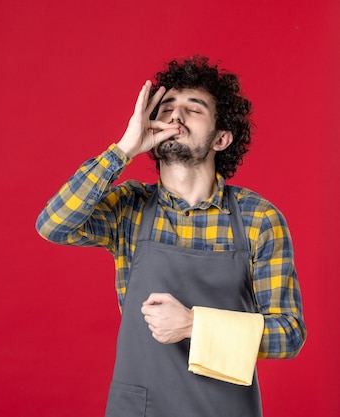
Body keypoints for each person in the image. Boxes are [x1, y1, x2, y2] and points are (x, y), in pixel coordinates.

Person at [35, 56, 306, 417]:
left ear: (221, 138)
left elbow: (288, 334)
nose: (175, 117)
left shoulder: (259, 218)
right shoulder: (130, 206)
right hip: (140, 409)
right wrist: (122, 151)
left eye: (193, 109)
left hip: (224, 409)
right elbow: (53, 224)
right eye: (166, 109)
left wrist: (196, 324)